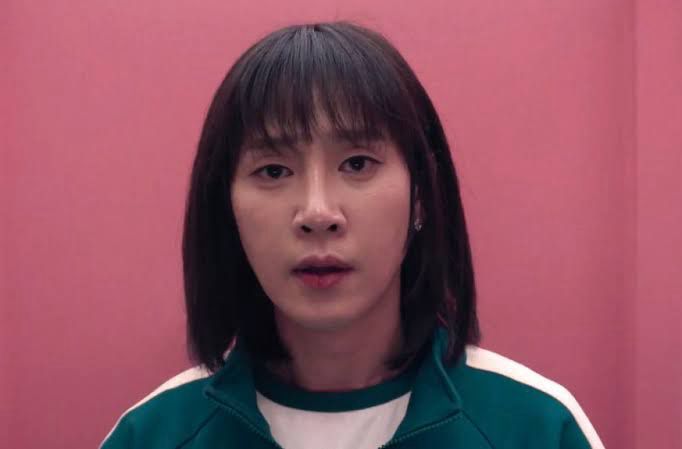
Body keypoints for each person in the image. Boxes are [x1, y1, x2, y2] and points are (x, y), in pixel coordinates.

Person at [99, 21, 605, 449]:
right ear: (226, 208)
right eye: (273, 171)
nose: (318, 213)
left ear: (421, 195)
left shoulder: (536, 427)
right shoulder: (153, 434)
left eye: (357, 163)